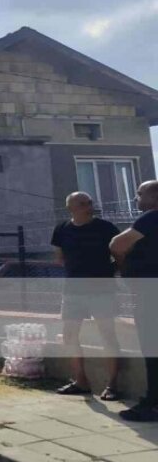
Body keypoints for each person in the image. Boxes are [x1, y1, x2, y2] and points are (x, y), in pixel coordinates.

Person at [51, 192, 123, 400]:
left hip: (102, 290)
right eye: (83, 203)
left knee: (107, 335)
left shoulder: (106, 228)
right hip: (73, 290)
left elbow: (120, 254)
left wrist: (112, 271)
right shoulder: (62, 229)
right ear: (71, 208)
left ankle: (112, 385)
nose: (88, 206)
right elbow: (59, 258)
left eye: (90, 202)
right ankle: (81, 381)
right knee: (69, 335)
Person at [110, 180, 158, 422]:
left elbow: (116, 244)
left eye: (140, 194)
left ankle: (153, 404)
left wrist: (123, 265)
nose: (136, 199)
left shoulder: (151, 217)